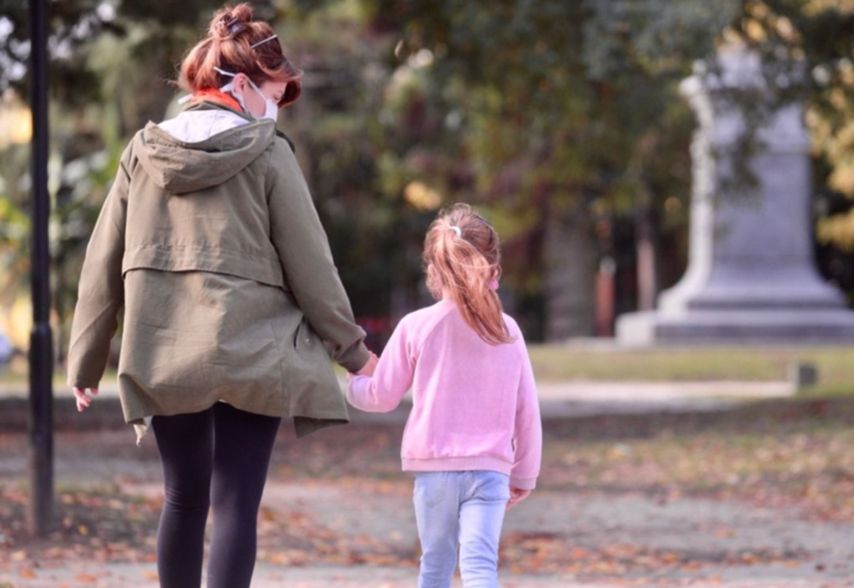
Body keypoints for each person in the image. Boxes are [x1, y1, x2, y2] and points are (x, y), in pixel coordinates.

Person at [65, 4, 376, 587]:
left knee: (182, 498)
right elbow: (311, 263)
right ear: (241, 84)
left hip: (165, 349)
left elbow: (102, 259)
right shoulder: (269, 152)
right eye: (275, 95)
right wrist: (353, 352)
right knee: (236, 503)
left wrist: (85, 360)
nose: (276, 111)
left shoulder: (142, 151)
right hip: (253, 351)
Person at [346, 203, 543, 588]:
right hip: (490, 469)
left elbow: (381, 396)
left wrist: (355, 380)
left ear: (433, 270)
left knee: (435, 566)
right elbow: (526, 409)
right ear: (492, 266)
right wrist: (525, 474)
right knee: (480, 567)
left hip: (434, 469)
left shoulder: (416, 326)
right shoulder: (507, 331)